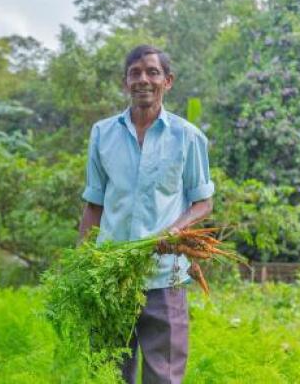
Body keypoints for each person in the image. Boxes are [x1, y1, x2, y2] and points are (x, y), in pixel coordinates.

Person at [79, 45, 214, 384]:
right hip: (111, 278)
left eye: (152, 72)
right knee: (109, 375)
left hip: (164, 276)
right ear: (125, 82)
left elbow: (203, 202)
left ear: (167, 81)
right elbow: (94, 204)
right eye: (135, 73)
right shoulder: (102, 133)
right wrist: (82, 264)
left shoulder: (187, 136)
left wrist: (175, 229)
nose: (143, 79)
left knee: (163, 377)